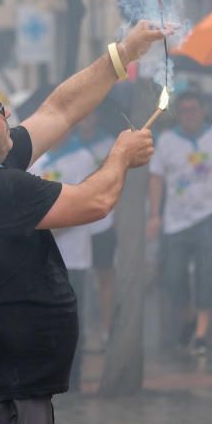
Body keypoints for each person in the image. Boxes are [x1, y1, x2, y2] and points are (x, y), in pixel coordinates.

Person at [0, 22, 163, 424]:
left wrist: (122, 53)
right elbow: (94, 202)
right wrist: (121, 156)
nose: (7, 115)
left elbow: (58, 111)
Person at [148, 90, 212, 355]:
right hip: (176, 221)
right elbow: (156, 178)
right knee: (173, 276)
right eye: (184, 110)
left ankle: (201, 334)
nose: (189, 115)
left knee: (208, 273)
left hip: (210, 215)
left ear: (203, 110)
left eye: (194, 109)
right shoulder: (168, 141)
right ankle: (189, 318)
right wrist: (155, 215)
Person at [29, 134, 98, 389]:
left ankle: (73, 378)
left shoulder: (83, 158)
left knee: (70, 320)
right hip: (38, 257)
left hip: (73, 257)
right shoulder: (36, 160)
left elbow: (86, 203)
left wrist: (48, 226)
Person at [76, 112, 117, 346]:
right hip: (74, 224)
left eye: (90, 115)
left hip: (102, 222)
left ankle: (107, 328)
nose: (86, 119)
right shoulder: (66, 145)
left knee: (105, 276)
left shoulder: (108, 143)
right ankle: (81, 331)